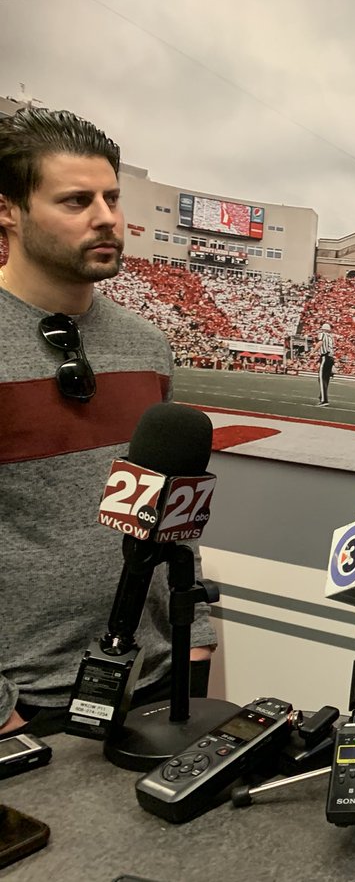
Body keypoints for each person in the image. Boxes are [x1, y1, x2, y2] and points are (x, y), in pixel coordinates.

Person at [0, 108, 216, 738]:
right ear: (8, 210)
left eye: (112, 197)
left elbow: (171, 502)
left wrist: (193, 633)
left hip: (154, 679)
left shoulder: (147, 346)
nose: (107, 217)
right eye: (76, 200)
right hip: (28, 703)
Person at [315, 321, 334, 405]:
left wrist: (313, 351)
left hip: (325, 357)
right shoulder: (331, 337)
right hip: (330, 358)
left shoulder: (323, 334)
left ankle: (324, 399)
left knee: (321, 378)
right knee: (326, 379)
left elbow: (320, 342)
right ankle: (322, 396)